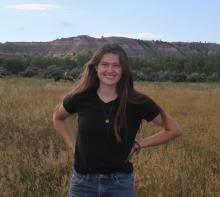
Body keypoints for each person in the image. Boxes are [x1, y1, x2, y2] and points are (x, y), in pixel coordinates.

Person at [52, 43, 182, 197]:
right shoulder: (80, 98)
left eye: (116, 65)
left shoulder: (137, 101)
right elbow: (58, 118)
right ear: (96, 67)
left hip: (119, 185)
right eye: (105, 64)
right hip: (82, 183)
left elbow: (174, 129)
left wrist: (138, 144)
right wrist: (73, 147)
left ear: (123, 70)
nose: (110, 70)